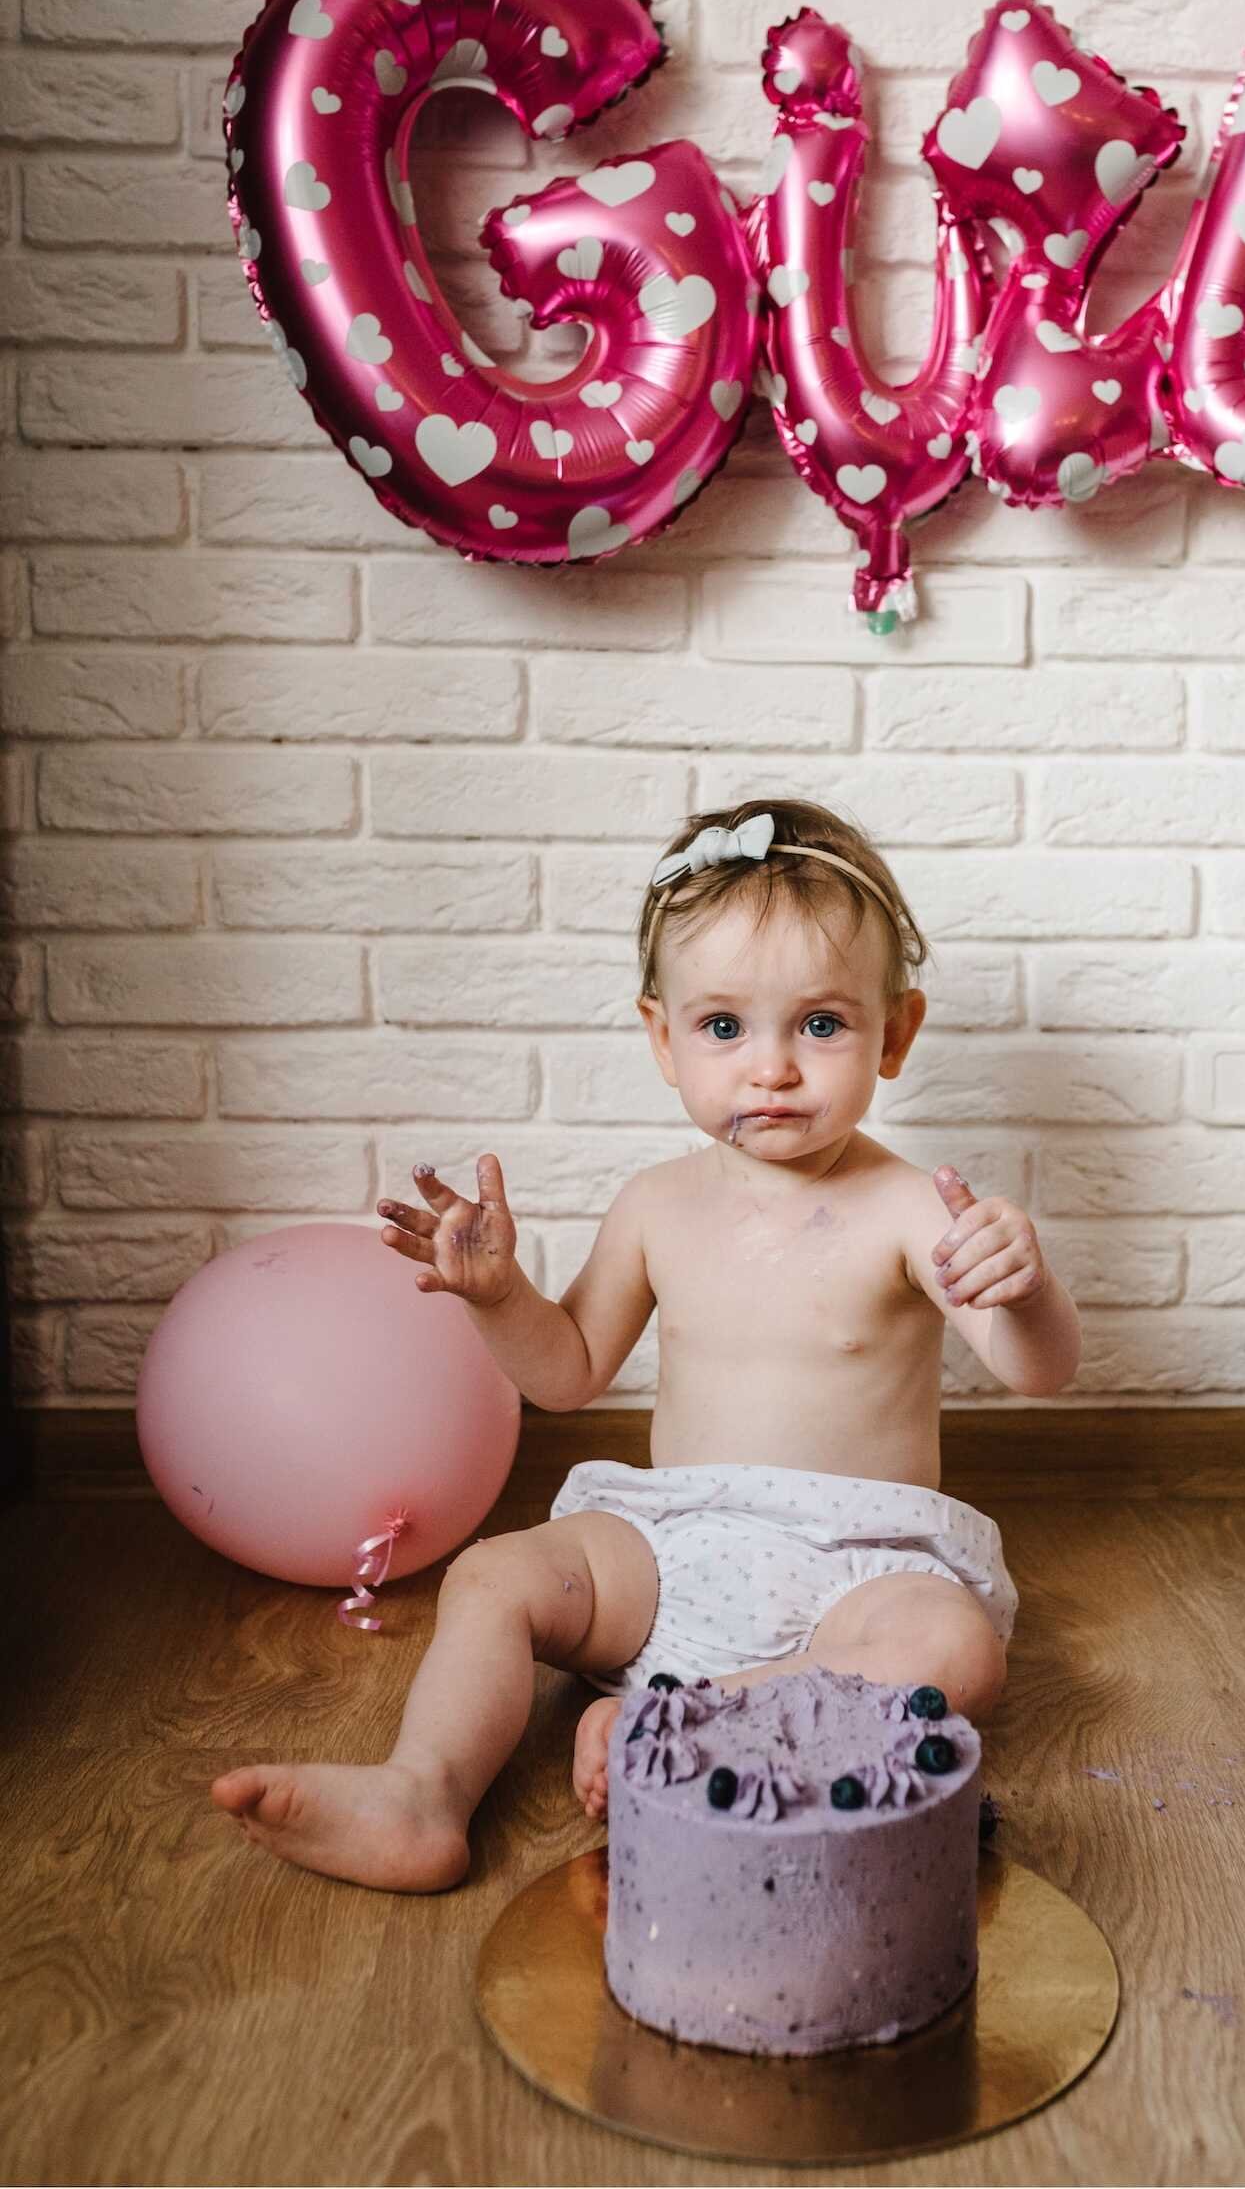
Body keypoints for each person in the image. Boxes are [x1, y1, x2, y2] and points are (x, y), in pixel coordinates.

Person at [211, 798, 1081, 1890]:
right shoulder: (655, 1204)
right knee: (492, 1575)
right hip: (675, 1547)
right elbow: (568, 1371)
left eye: (820, 1025)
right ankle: (421, 1792)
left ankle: (698, 1718)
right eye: (724, 1028)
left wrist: (1025, 1289)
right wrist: (500, 1298)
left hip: (855, 1569)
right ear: (663, 1039)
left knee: (956, 1650)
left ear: (894, 1034)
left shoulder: (907, 1208)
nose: (772, 1068)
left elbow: (1037, 1369)